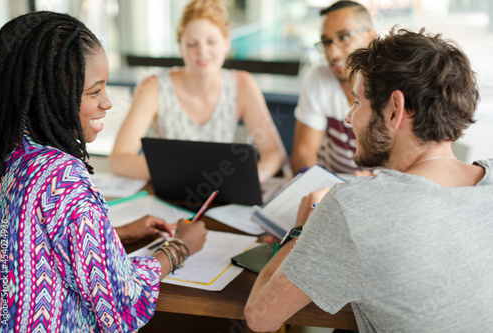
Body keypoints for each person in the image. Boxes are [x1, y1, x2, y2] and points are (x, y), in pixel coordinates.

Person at [245, 28, 493, 332]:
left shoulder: (355, 207)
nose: (349, 118)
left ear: (394, 110)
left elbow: (259, 318)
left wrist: (301, 231)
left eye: (357, 102)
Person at [0, 11, 207, 332]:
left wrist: (112, 235)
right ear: (53, 96)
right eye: (94, 91)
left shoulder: (7, 155)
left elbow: (25, 248)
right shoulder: (62, 179)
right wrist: (180, 247)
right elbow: (122, 304)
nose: (107, 103)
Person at [110, 0, 286, 183]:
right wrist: (188, 174)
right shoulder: (153, 86)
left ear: (226, 43)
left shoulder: (243, 84)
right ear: (181, 47)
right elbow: (118, 159)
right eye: (192, 43)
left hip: (218, 194)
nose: (202, 51)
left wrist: (253, 177)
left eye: (211, 41)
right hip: (167, 194)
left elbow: (274, 153)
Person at [290, 0, 376, 175]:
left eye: (343, 37)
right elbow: (303, 153)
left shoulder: (396, 82)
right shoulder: (318, 78)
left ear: (371, 37)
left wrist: (370, 183)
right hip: (329, 188)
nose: (332, 53)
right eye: (326, 42)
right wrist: (317, 191)